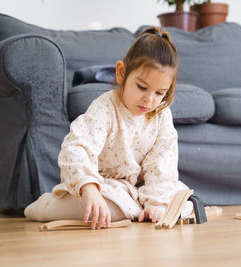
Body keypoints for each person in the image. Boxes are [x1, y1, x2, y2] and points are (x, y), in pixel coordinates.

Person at [24, 27, 193, 229]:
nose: (149, 99)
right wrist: (89, 188)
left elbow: (162, 164)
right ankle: (47, 204)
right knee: (108, 209)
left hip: (139, 191)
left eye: (159, 93)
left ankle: (139, 209)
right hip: (103, 187)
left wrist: (156, 204)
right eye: (142, 87)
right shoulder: (105, 107)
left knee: (184, 203)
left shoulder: (161, 115)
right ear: (122, 73)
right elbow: (77, 147)